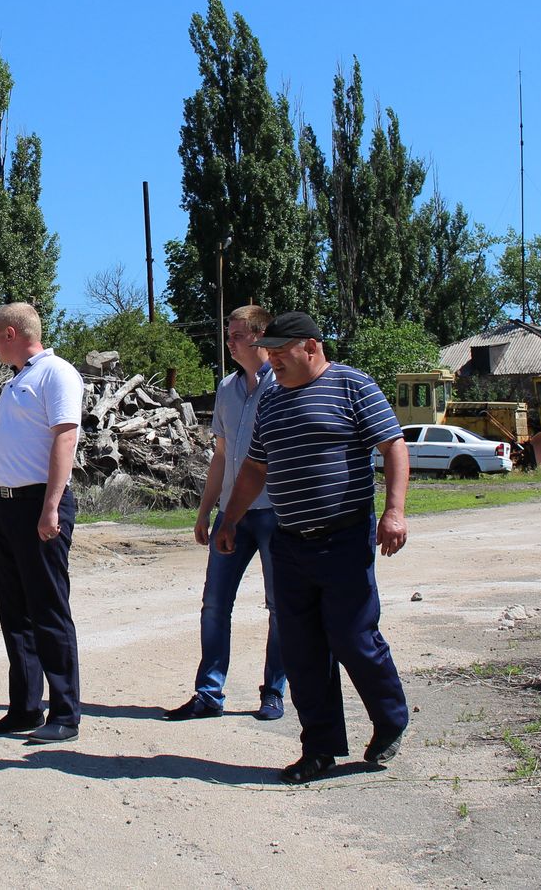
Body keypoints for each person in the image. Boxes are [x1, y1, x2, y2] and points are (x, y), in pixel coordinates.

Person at [214, 311, 411, 785]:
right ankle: (319, 747)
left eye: (281, 350)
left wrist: (394, 511)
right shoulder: (273, 403)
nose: (273, 358)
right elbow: (255, 470)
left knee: (353, 638)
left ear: (312, 346)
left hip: (344, 538)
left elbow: (393, 446)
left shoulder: (352, 385)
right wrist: (231, 519)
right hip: (289, 542)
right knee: (302, 651)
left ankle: (390, 720)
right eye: (271, 351)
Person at [164, 305, 287, 722]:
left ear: (260, 336)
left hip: (276, 513)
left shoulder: (285, 383)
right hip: (231, 514)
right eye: (229, 334)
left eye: (236, 335)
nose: (229, 342)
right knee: (214, 605)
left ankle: (274, 693)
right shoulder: (227, 388)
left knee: (280, 607)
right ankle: (208, 694)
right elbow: (219, 455)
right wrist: (205, 512)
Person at [0, 302, 84, 744]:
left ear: (9, 333)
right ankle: (24, 708)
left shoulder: (55, 373)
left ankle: (65, 713)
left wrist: (51, 505)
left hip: (40, 502)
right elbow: (8, 453)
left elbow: (66, 436)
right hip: (7, 507)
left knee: (48, 610)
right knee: (14, 612)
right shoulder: (15, 382)